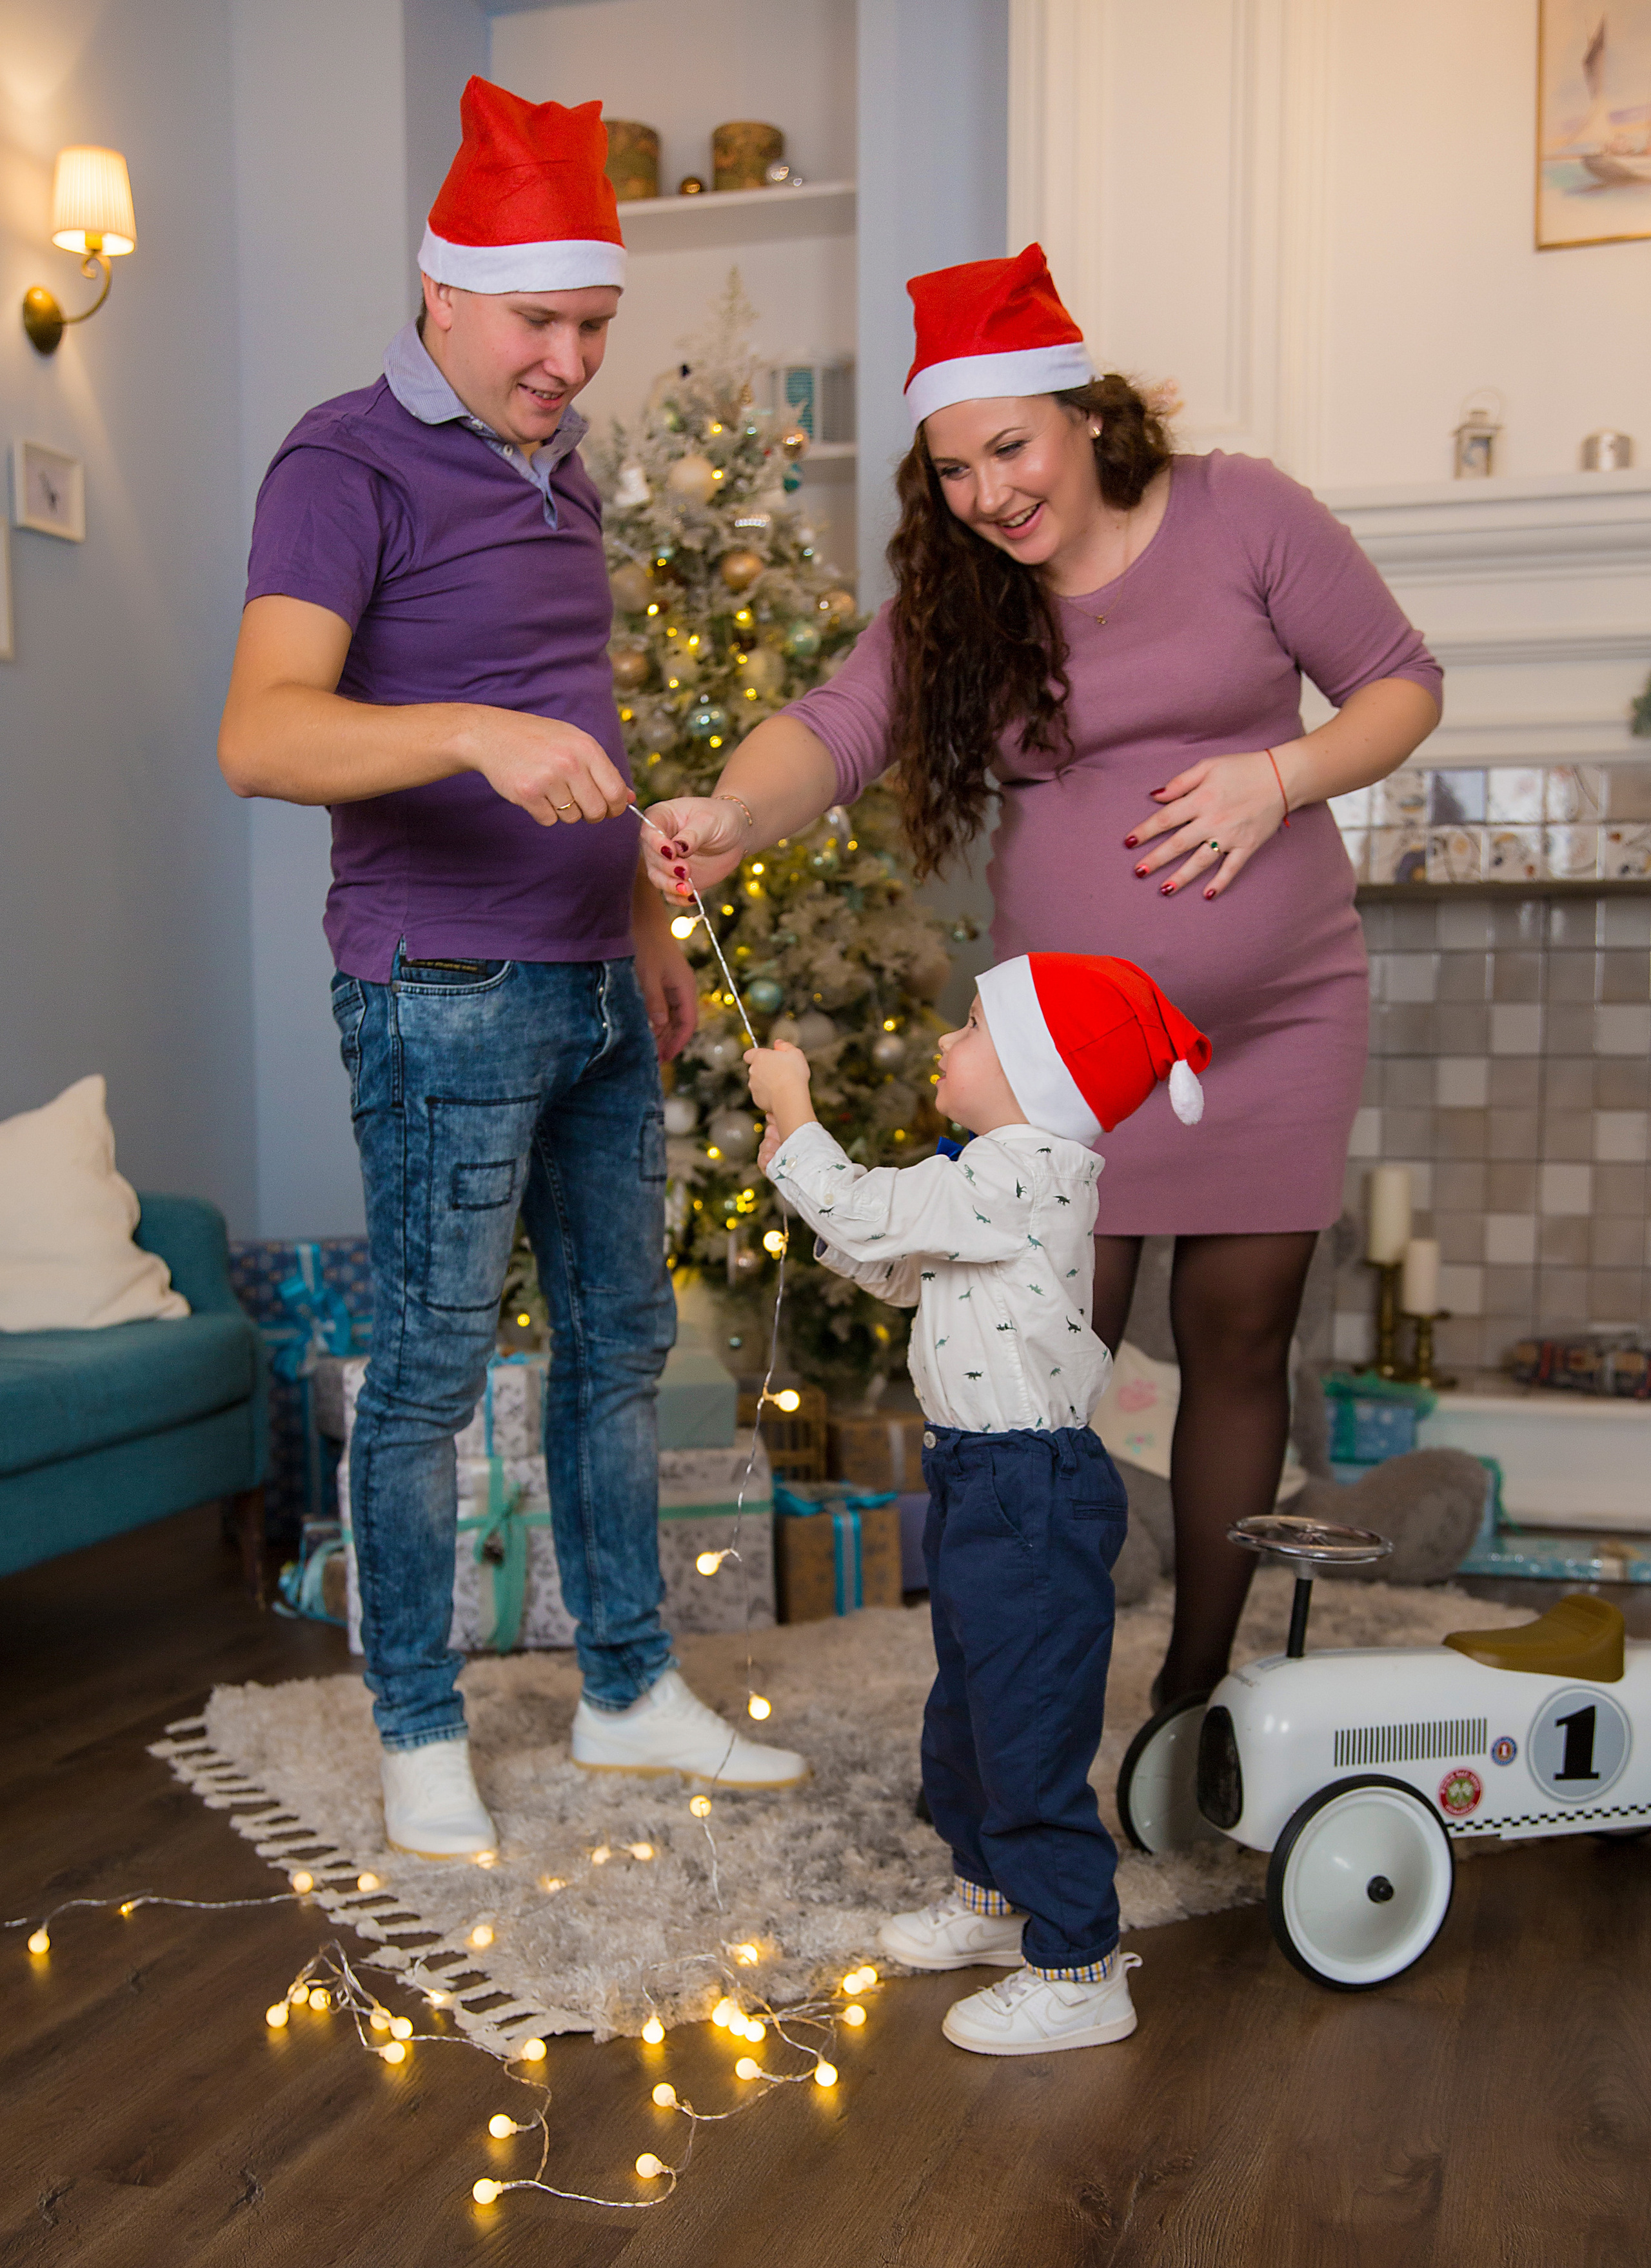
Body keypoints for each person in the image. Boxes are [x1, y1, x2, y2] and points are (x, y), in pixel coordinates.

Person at [644, 243, 1443, 1711]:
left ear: (1086, 414)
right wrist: (730, 817)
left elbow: (1400, 683)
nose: (988, 494)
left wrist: (1277, 779)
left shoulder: (1242, 512)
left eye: (1009, 448)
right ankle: (1031, 1693)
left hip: (1275, 1018)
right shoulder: (962, 598)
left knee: (1238, 1342)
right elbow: (830, 728)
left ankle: (1188, 1692)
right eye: (951, 469)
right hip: (1064, 1068)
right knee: (1031, 1359)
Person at [219, 78, 804, 1860]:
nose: (570, 361)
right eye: (542, 323)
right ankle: (415, 1729)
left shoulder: (565, 494)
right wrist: (468, 734)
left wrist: (646, 934)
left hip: (593, 987)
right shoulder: (340, 463)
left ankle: (627, 1692)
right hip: (438, 989)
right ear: (445, 294)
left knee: (621, 1349)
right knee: (429, 1367)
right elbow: (262, 734)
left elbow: (591, 736)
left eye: (593, 328)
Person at [749, 952, 1210, 2054]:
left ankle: (1079, 1963)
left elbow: (870, 1210)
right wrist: (799, 1173)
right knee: (967, 1705)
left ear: (1038, 1074)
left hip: (1028, 1490)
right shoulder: (986, 1177)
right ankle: (994, 1897)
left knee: (1029, 1720)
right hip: (973, 1475)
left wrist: (798, 1113)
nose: (944, 1043)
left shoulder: (1027, 1171)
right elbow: (899, 1264)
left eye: (970, 1026)